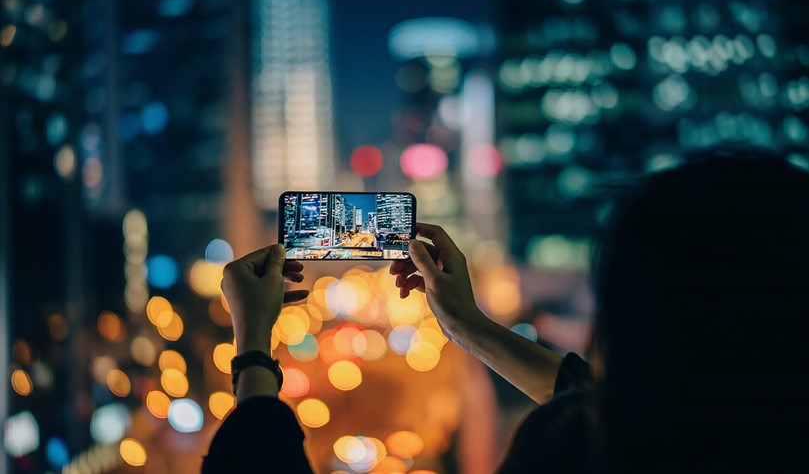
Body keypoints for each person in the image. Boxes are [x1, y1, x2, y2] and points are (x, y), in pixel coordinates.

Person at [203, 150, 809, 473]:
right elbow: (593, 398)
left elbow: (591, 411)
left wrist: (254, 343)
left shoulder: (578, 453)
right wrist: (466, 324)